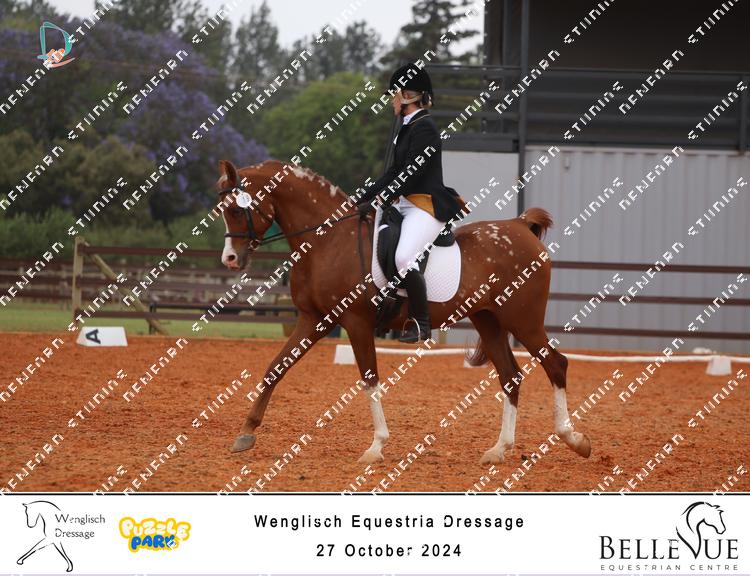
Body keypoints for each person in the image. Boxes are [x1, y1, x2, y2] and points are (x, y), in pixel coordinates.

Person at [357, 63, 464, 343]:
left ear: (406, 96)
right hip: (405, 203)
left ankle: (421, 324)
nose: (391, 101)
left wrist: (383, 197)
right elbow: (394, 172)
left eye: (393, 95)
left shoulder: (425, 127)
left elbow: (412, 172)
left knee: (404, 257)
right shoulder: (407, 127)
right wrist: (363, 198)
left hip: (425, 206)